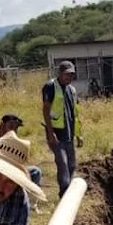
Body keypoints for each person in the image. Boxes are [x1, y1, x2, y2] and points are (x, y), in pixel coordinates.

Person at [0, 115, 42, 209]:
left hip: (2, 171)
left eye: (16, 127)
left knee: (34, 172)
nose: (13, 130)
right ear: (2, 125)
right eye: (11, 126)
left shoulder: (8, 141)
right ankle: (25, 204)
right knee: (34, 172)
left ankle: (26, 204)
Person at [42, 60, 83, 198]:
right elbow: (46, 110)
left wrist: (79, 135)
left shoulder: (72, 90)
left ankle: (67, 189)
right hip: (56, 135)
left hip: (69, 134)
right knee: (63, 163)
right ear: (60, 73)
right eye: (67, 74)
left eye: (71, 75)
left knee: (72, 165)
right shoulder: (50, 86)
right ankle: (64, 194)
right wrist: (50, 132)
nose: (69, 77)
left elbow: (75, 114)